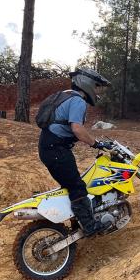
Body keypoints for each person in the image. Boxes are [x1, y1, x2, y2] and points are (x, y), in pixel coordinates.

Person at [38, 67, 113, 237]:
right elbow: (77, 129)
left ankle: (77, 220)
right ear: (86, 83)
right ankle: (89, 226)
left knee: (71, 185)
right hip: (55, 150)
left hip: (50, 147)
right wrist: (96, 144)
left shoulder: (65, 95)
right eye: (96, 86)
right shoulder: (77, 100)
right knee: (77, 187)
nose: (96, 90)